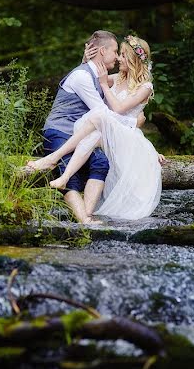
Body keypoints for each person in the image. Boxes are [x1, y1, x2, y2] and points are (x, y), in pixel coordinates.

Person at [29, 35, 163, 221]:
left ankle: (54, 158)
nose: (118, 58)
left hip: (125, 135)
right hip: (111, 131)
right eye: (118, 53)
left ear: (133, 60)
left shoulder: (145, 86)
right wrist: (86, 61)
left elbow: (118, 109)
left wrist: (103, 84)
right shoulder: (116, 78)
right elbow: (88, 76)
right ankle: (78, 202)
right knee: (92, 135)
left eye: (122, 55)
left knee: (98, 116)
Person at [35, 30, 120, 224]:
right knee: (69, 170)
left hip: (80, 136)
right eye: (115, 51)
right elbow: (101, 114)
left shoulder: (99, 75)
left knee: (101, 163)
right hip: (59, 132)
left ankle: (87, 215)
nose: (116, 56)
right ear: (102, 51)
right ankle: (84, 221)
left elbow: (130, 79)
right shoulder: (82, 76)